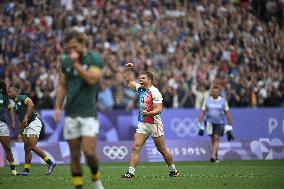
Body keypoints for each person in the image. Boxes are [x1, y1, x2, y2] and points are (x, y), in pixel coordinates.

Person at [54, 30, 104, 189]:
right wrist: (57, 107)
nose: (72, 50)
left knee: (89, 152)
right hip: (71, 114)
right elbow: (62, 85)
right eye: (69, 47)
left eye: (75, 46)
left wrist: (76, 64)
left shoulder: (95, 59)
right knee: (74, 155)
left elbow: (91, 79)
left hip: (89, 113)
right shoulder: (65, 61)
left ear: (83, 44)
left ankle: (96, 179)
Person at [121, 63, 179, 178]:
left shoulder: (155, 92)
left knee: (161, 149)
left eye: (143, 78)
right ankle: (130, 172)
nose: (140, 80)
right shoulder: (141, 88)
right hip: (143, 123)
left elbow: (159, 109)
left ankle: (173, 170)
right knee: (136, 146)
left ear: (150, 80)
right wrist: (127, 70)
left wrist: (148, 113)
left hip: (154, 124)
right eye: (140, 78)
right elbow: (129, 81)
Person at [7, 84, 56, 176]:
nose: (8, 93)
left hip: (34, 123)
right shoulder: (15, 105)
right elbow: (21, 120)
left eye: (10, 91)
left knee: (32, 146)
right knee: (27, 148)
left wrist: (27, 116)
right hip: (26, 126)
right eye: (8, 92)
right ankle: (26, 170)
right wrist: (19, 133)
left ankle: (50, 163)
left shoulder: (22, 97)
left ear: (16, 92)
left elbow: (31, 104)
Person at [197, 86, 234, 163]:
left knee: (216, 137)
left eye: (216, 91)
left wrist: (230, 124)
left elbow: (227, 112)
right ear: (211, 92)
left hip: (219, 122)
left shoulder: (223, 101)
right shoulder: (207, 100)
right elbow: (202, 111)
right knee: (213, 139)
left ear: (219, 92)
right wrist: (199, 123)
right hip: (209, 123)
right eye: (213, 91)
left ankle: (213, 156)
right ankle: (216, 156)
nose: (215, 93)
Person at [0, 81, 17, 175]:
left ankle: (13, 170)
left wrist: (13, 122)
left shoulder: (4, 96)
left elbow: (10, 109)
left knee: (7, 147)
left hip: (2, 124)